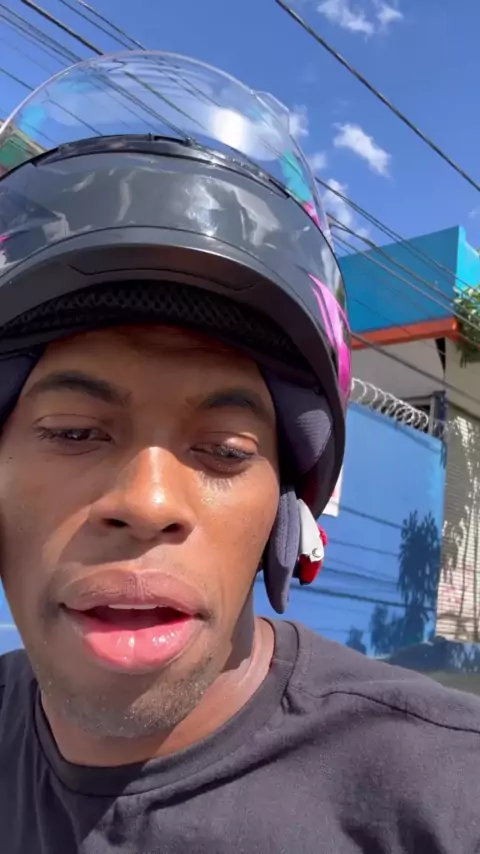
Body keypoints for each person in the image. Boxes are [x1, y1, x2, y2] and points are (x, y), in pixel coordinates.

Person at [0, 52, 478, 854]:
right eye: (75, 432)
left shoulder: (448, 801)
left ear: (288, 509)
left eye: (224, 450)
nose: (148, 503)